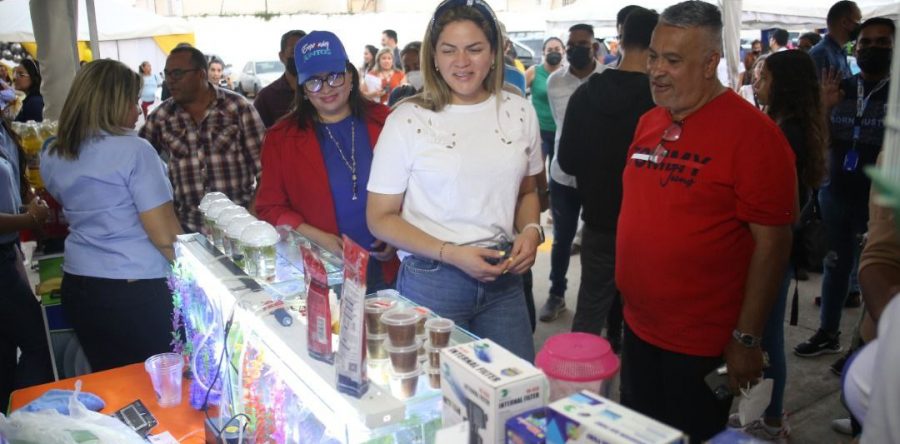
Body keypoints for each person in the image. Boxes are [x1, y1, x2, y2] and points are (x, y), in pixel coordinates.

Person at [615, 2, 796, 441]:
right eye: (654, 56)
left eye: (673, 61)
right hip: (638, 327)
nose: (656, 70)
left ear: (711, 62)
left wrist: (748, 338)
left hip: (699, 345)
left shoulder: (756, 137)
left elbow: (773, 244)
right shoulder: (649, 121)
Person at [367, 0, 544, 362]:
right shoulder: (408, 119)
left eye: (475, 49)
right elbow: (380, 217)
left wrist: (530, 229)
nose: (462, 62)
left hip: (503, 275)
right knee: (433, 402)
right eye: (449, 50)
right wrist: (452, 254)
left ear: (494, 54)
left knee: (514, 393)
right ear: (434, 56)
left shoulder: (518, 111)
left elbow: (527, 190)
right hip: (432, 278)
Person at [41, 59, 183, 372]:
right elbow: (165, 237)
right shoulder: (135, 151)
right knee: (160, 383)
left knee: (114, 380)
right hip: (134, 290)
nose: (138, 111)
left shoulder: (54, 152)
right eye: (132, 101)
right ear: (111, 103)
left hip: (79, 283)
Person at [729, 49, 827, 441]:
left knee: (763, 339)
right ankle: (763, 413)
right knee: (764, 336)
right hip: (774, 250)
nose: (757, 82)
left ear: (782, 84)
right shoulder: (788, 123)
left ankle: (768, 420)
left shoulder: (786, 132)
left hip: (772, 253)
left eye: (764, 76)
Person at [255, 31, 398, 292]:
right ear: (302, 89)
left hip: (388, 264)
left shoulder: (387, 121)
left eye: (334, 76)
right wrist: (317, 237)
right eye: (314, 82)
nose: (327, 89)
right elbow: (269, 207)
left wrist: (399, 232)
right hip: (326, 267)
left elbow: (415, 187)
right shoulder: (282, 138)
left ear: (351, 76)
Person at [556, 7, 658, 353]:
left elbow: (566, 161)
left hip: (598, 221)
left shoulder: (586, 93)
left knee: (589, 311)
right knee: (644, 320)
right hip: (647, 229)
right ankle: (634, 394)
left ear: (620, 40)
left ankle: (575, 388)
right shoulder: (659, 101)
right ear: (655, 44)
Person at [794, 18, 894, 358]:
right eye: (865, 43)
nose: (872, 49)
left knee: (875, 273)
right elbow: (819, 142)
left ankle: (865, 349)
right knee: (835, 267)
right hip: (836, 193)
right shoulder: (841, 86)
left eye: (882, 43)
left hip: (881, 203)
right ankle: (828, 333)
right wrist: (825, 108)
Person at [140, 46, 265, 233]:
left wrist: (251, 218)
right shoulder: (161, 117)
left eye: (177, 73)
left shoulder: (237, 108)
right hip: (186, 229)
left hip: (239, 229)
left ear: (200, 74)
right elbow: (137, 163)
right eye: (167, 74)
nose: (170, 81)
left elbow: (266, 171)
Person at [538, 23, 606, 324]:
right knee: (561, 239)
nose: (578, 48)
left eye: (585, 43)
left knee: (595, 241)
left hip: (598, 176)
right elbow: (559, 125)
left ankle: (596, 304)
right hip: (563, 176)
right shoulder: (555, 82)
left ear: (594, 47)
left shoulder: (608, 80)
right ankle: (556, 293)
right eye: (573, 44)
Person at [0, 116, 54, 413]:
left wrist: (28, 210)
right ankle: (21, 419)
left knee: (6, 348)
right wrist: (29, 218)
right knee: (37, 342)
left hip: (7, 253)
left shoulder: (4, 131)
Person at [255, 30, 307, 128]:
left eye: (304, 52)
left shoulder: (320, 92)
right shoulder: (266, 97)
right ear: (281, 56)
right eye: (293, 52)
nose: (299, 57)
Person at [525, 37, 564, 163]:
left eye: (557, 49)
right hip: (539, 131)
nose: (554, 52)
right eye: (550, 50)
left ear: (563, 51)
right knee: (537, 170)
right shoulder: (534, 72)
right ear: (543, 52)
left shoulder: (568, 74)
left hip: (561, 131)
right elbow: (517, 95)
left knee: (557, 173)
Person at [809, 1, 861, 79]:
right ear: (844, 22)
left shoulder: (844, 50)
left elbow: (854, 77)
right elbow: (819, 90)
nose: (860, 26)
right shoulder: (821, 54)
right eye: (858, 21)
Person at [388, 41, 423, 106]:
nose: (412, 72)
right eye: (407, 68)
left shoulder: (443, 97)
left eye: (417, 67)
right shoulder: (398, 94)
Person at [13, 58, 43, 122]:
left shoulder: (35, 102)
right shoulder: (30, 99)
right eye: (16, 73)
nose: (15, 77)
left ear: (33, 77)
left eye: (21, 74)